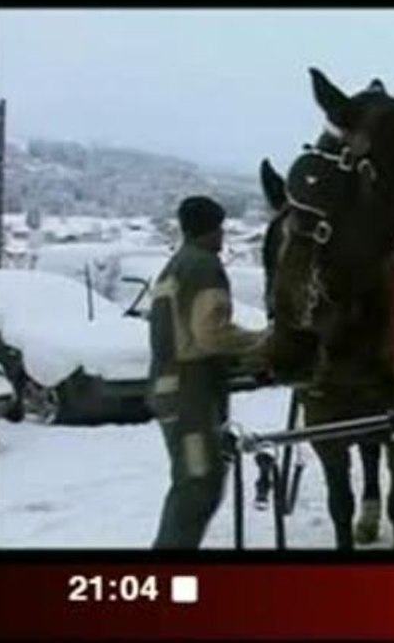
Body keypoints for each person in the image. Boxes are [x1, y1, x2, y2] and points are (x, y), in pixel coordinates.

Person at [148, 195, 271, 548]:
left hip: (171, 388)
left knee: (195, 481)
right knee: (198, 485)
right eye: (221, 228)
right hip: (191, 393)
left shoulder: (174, 266)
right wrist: (262, 342)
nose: (223, 236)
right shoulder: (203, 267)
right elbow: (211, 333)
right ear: (211, 229)